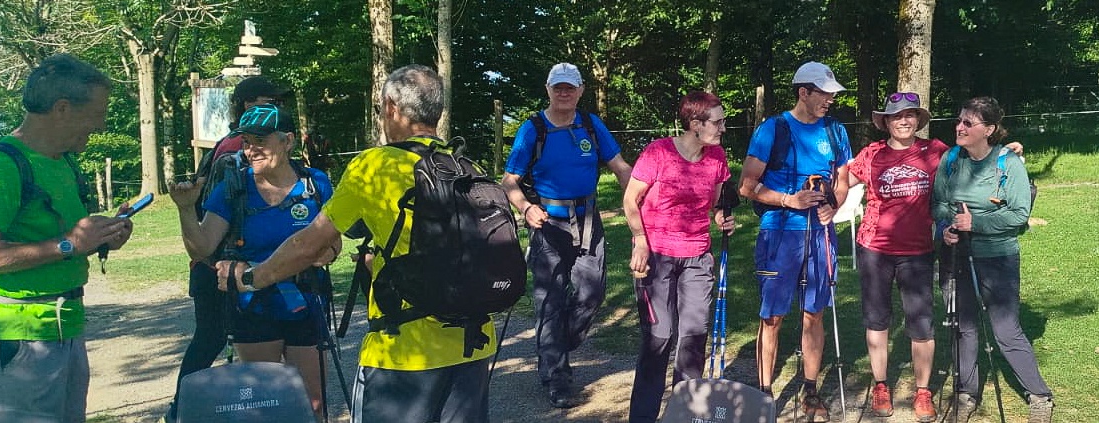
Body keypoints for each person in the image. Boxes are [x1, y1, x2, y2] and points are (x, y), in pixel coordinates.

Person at [218, 64, 497, 423]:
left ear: (391, 108)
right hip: (474, 343)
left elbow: (308, 244)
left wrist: (251, 278)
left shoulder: (374, 167)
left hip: (403, 352)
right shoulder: (463, 165)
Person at [0, 53, 133, 422]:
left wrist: (100, 238)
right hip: (14, 336)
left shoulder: (63, 161)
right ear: (62, 108)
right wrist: (69, 244)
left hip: (62, 325)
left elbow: (61, 241)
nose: (101, 124)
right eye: (98, 113)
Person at [169, 105, 334, 420]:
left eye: (260, 140)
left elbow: (332, 244)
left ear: (288, 141)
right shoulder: (234, 187)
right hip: (253, 306)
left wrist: (323, 252)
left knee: (313, 404)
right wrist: (186, 209)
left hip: (307, 301)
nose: (251, 150)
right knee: (263, 405)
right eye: (246, 142)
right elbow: (201, 247)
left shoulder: (315, 183)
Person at [501, 62, 633, 408]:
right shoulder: (533, 129)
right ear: (548, 89)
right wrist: (526, 208)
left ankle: (556, 344)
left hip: (588, 221)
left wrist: (638, 206)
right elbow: (509, 181)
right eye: (558, 87)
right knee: (550, 301)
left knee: (592, 293)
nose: (563, 93)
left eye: (569, 88)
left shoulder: (590, 124)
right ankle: (557, 378)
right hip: (547, 224)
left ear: (580, 91)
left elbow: (621, 168)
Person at [165, 75, 289, 422]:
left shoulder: (227, 142)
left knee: (214, 338)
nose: (277, 107)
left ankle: (182, 409)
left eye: (278, 102)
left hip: (221, 266)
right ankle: (181, 409)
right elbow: (223, 213)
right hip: (220, 268)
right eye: (269, 101)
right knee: (213, 338)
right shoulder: (237, 147)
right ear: (246, 105)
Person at [737, 61, 852, 423]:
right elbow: (747, 186)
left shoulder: (835, 130)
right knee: (772, 315)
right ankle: (764, 393)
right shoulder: (773, 129)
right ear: (804, 92)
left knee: (814, 312)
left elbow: (843, 180)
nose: (830, 100)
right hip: (779, 232)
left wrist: (833, 206)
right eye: (824, 94)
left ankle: (810, 389)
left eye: (833, 94)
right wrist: (789, 200)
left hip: (820, 234)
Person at [932, 97, 1054, 423]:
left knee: (1005, 329)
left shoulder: (1008, 163)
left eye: (968, 123)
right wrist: (946, 229)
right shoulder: (951, 159)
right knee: (963, 327)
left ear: (988, 129)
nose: (959, 127)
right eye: (959, 121)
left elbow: (1019, 214)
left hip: (997, 258)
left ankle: (1039, 396)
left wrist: (976, 223)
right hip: (956, 255)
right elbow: (939, 203)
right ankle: (966, 392)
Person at [622, 91, 735, 423]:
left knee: (693, 338)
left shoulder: (716, 157)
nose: (723, 128)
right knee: (659, 339)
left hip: (697, 256)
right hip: (656, 256)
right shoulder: (658, 152)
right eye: (718, 122)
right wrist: (640, 241)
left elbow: (715, 203)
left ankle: (683, 415)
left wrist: (721, 218)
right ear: (696, 124)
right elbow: (630, 200)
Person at [840, 92, 946, 421]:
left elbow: (972, 160)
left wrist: (1005, 154)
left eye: (910, 115)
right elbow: (842, 177)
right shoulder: (871, 154)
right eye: (897, 116)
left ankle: (923, 391)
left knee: (922, 323)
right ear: (886, 122)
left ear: (918, 120)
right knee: (877, 320)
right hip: (875, 249)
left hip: (918, 251)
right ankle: (881, 385)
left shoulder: (935, 151)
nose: (903, 121)